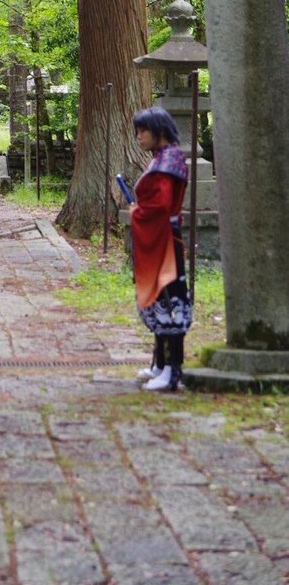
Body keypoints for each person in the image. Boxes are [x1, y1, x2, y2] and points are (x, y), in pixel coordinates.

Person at [129, 106, 191, 392]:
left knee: (169, 302)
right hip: (162, 238)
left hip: (165, 241)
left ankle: (172, 371)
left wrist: (137, 212)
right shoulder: (164, 158)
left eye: (143, 130)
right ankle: (160, 363)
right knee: (159, 298)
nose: (139, 136)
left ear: (159, 130)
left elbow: (161, 205)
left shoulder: (168, 162)